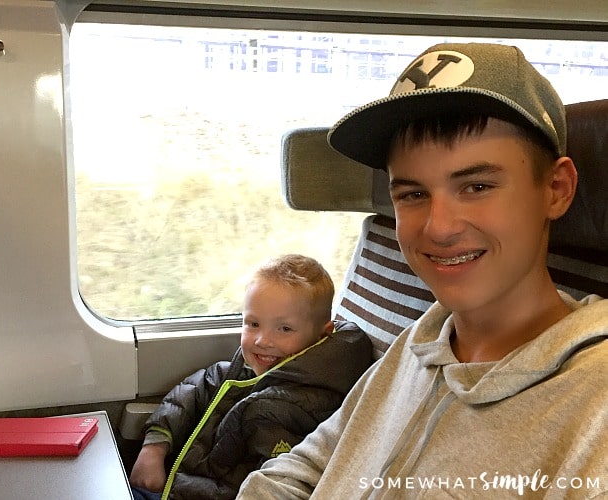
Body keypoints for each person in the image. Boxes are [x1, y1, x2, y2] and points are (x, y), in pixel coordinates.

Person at [237, 43, 608, 498]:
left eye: (476, 186)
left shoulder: (595, 401)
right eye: (413, 194)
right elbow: (310, 463)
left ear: (555, 189)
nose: (439, 228)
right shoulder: (423, 340)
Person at [129, 254, 373, 499]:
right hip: (176, 484)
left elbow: (273, 484)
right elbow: (189, 394)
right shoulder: (242, 371)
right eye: (253, 323)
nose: (262, 341)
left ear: (322, 335)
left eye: (285, 329)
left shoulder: (297, 408)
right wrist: (155, 446)